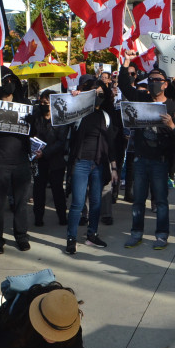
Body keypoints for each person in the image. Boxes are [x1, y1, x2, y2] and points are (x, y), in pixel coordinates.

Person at [118, 53, 175, 250]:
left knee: (160, 201)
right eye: (150, 80)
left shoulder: (172, 105)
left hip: (160, 161)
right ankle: (136, 233)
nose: (153, 83)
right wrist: (126, 63)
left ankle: (161, 235)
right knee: (138, 201)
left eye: (158, 80)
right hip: (141, 159)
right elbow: (124, 86)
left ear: (165, 84)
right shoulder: (141, 98)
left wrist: (171, 124)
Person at [65, 78, 119, 255]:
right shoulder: (78, 113)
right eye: (94, 92)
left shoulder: (105, 116)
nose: (98, 95)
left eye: (101, 93)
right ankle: (71, 238)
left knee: (96, 202)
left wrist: (114, 167)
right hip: (81, 162)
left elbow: (110, 144)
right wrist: (75, 99)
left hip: (98, 164)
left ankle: (92, 234)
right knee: (78, 203)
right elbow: (63, 116)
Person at [0, 68, 32, 254]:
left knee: (21, 204)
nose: (8, 85)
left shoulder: (26, 104)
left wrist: (33, 120)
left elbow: (34, 132)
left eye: (10, 81)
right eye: (3, 82)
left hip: (21, 161)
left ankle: (21, 236)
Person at [31, 90, 68, 227]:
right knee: (38, 191)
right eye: (41, 102)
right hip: (38, 161)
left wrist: (45, 153)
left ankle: (62, 217)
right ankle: (38, 218)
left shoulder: (60, 119)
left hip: (55, 161)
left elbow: (61, 141)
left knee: (57, 190)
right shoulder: (36, 118)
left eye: (46, 102)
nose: (44, 105)